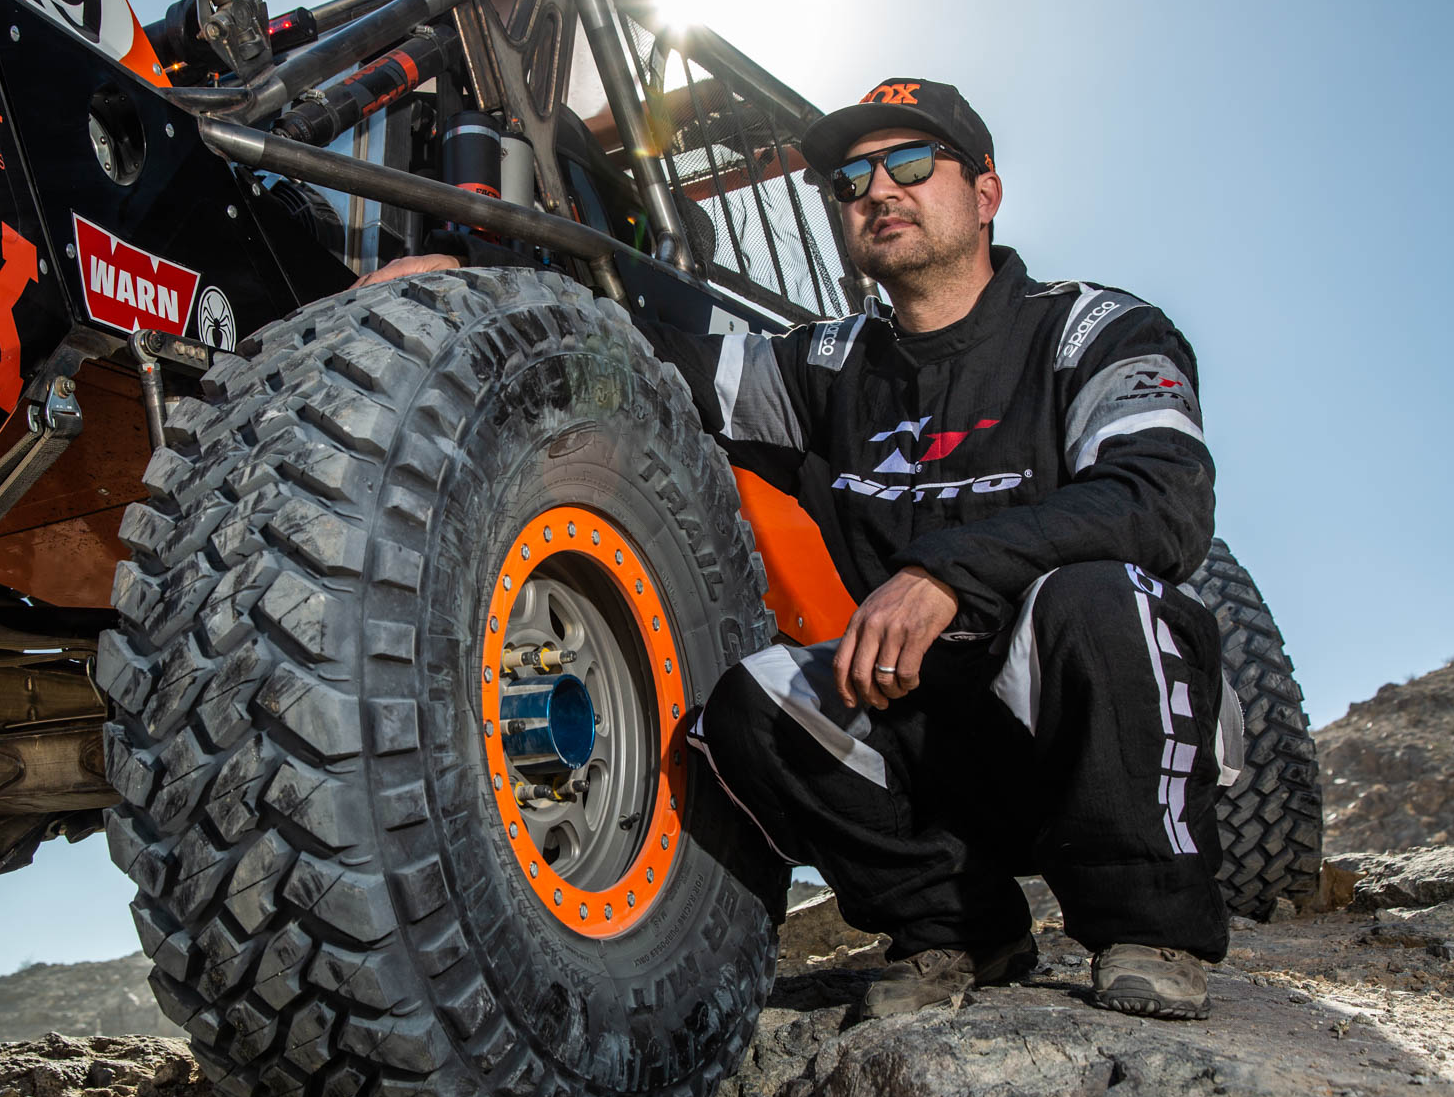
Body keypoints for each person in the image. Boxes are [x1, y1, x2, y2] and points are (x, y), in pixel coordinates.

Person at [364, 79, 1232, 1021]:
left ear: (985, 192)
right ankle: (959, 929)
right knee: (748, 706)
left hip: (1080, 718)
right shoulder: (831, 364)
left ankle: (1148, 927)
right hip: (926, 721)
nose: (878, 191)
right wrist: (477, 282)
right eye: (851, 180)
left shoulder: (1093, 329)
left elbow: (1162, 499)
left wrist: (944, 574)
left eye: (911, 164)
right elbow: (653, 355)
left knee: (1097, 598)